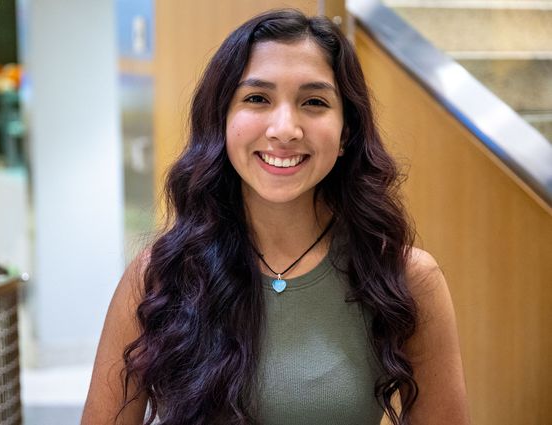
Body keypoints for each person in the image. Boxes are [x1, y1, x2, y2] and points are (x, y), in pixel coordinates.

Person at [82, 9, 469, 425]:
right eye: (257, 99)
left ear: (346, 134)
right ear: (222, 123)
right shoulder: (158, 276)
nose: (285, 129)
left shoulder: (405, 277)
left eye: (314, 102)